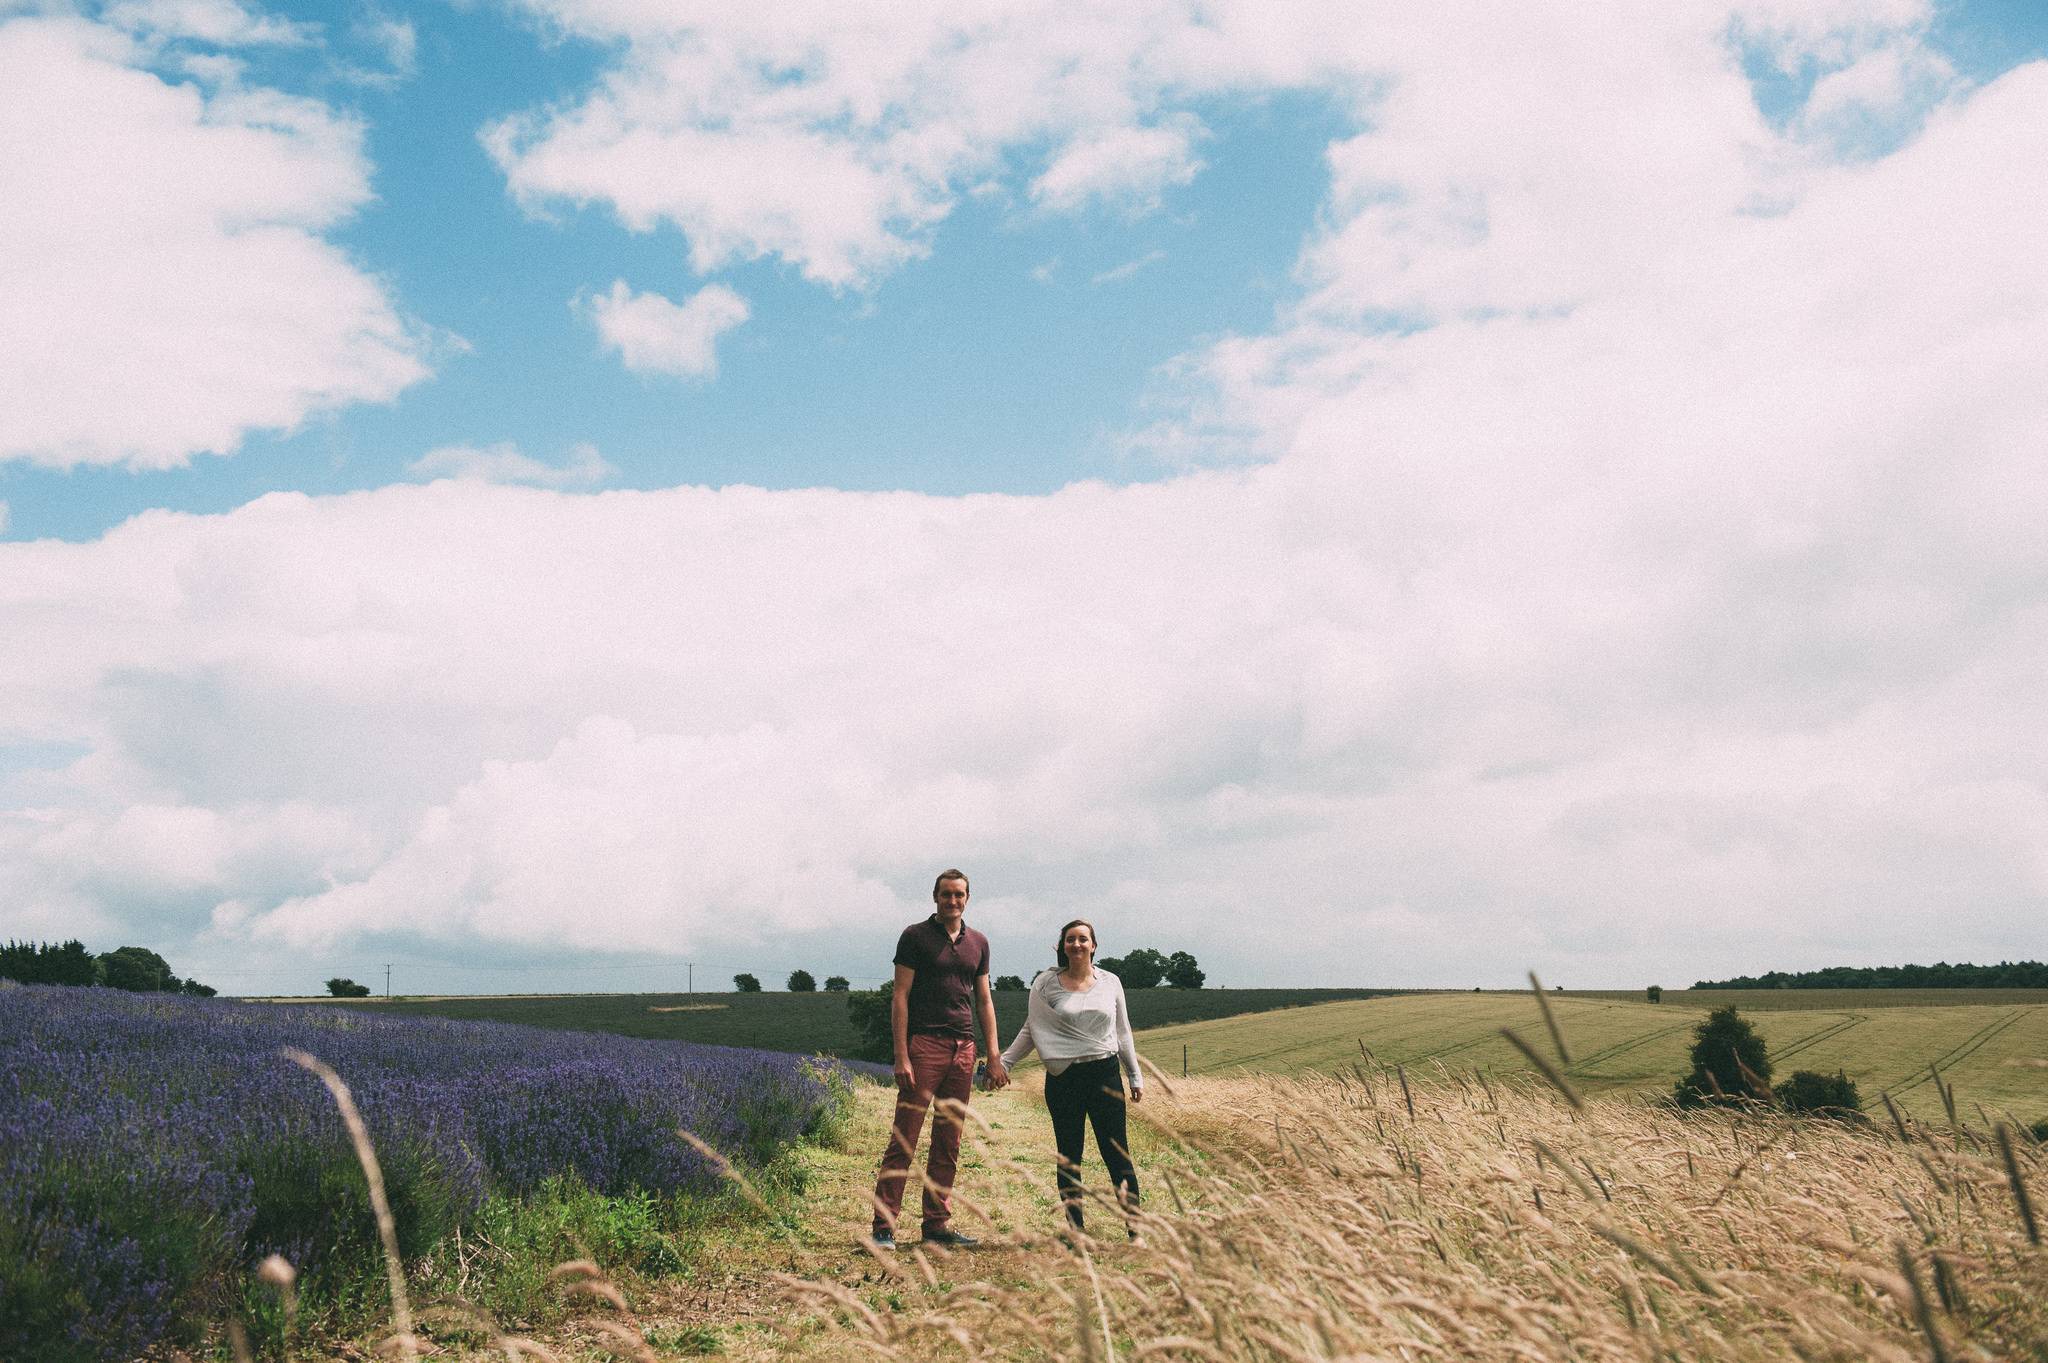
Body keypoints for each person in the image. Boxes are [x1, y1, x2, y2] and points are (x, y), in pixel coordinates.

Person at [869, 869, 1008, 1250]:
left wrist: (993, 1054)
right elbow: (900, 996)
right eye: (946, 894)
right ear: (935, 897)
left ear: (967, 898)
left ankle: (937, 1224)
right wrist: (902, 1055)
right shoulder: (914, 937)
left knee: (949, 1140)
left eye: (959, 895)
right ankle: (883, 1226)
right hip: (924, 1046)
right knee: (905, 1137)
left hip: (963, 1050)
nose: (952, 901)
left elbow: (984, 1000)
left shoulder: (978, 942)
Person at [1000, 919, 1143, 1236]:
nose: (1076, 945)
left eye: (1083, 939)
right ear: (1062, 946)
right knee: (1069, 1155)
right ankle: (1075, 1230)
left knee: (1116, 1152)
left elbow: (1122, 1031)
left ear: (1093, 945)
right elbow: (1031, 1029)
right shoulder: (1045, 984)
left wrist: (1134, 1074)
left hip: (1104, 1073)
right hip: (1064, 1078)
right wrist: (1005, 1062)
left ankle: (1135, 1227)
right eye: (1070, 940)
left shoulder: (1110, 982)